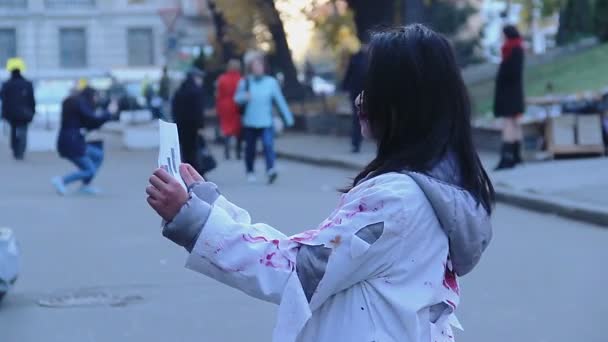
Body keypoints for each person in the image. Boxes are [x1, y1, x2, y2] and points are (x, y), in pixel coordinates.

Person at [145, 25, 494, 342]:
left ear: (403, 102)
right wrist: (208, 205)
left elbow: (295, 270)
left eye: (371, 88)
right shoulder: (434, 189)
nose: (359, 100)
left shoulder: (396, 200)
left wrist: (194, 219)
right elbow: (310, 260)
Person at [234, 51, 294, 184]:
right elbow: (236, 99)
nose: (257, 69)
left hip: (266, 121)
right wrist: (245, 97)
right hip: (250, 121)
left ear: (264, 67)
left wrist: (288, 119)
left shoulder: (271, 82)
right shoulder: (245, 82)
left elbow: (280, 100)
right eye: (255, 66)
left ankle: (271, 169)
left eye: (259, 66)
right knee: (250, 148)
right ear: (251, 68)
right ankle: (250, 171)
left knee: (268, 145)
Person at [52, 87, 115, 195]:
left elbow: (91, 123)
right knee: (89, 170)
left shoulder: (77, 104)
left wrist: (106, 114)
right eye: (95, 97)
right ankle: (62, 181)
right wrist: (109, 112)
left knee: (98, 155)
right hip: (72, 143)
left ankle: (85, 185)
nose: (96, 100)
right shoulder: (80, 104)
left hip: (73, 141)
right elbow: (93, 119)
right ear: (90, 96)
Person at [494, 25, 525, 170]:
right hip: (514, 93)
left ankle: (507, 158)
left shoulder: (512, 49)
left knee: (508, 124)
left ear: (507, 35)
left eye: (502, 34)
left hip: (509, 94)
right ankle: (517, 156)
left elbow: (510, 72)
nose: (501, 37)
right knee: (514, 123)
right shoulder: (515, 48)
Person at [0, 59, 36, 160]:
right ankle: (21, 150)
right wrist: (33, 111)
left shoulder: (7, 84)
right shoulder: (27, 83)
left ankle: (15, 149)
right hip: (25, 113)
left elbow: (2, 97)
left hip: (10, 113)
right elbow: (32, 99)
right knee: (23, 131)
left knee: (13, 130)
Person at [172, 67, 206, 172]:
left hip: (181, 126)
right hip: (193, 127)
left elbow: (174, 108)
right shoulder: (196, 91)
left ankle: (186, 171)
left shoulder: (180, 90)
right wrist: (201, 126)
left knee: (185, 151)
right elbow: (198, 110)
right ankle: (195, 172)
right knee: (194, 151)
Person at [342, 43, 369, 153]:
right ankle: (356, 143)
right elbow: (349, 74)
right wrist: (345, 87)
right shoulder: (356, 58)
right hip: (357, 92)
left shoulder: (373, 58)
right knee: (358, 118)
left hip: (369, 92)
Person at [216, 59, 243, 160]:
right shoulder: (241, 79)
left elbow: (218, 94)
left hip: (224, 106)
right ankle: (238, 152)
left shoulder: (222, 78)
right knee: (237, 129)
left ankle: (227, 151)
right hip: (236, 105)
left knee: (226, 129)